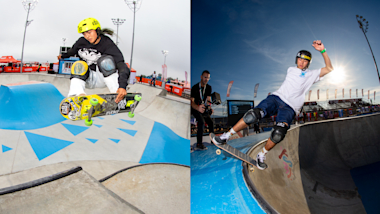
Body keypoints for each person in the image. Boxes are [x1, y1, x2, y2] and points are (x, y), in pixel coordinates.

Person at [211, 40, 333, 170]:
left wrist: (323, 51)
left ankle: (261, 155)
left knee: (278, 133)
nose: (301, 62)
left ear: (308, 63)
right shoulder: (291, 69)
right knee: (253, 115)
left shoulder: (312, 74)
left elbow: (329, 68)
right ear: (296, 59)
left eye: (305, 61)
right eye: (300, 59)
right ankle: (225, 136)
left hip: (290, 108)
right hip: (276, 98)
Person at [57, 17, 130, 103]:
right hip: (87, 78)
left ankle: (117, 93)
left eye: (89, 32)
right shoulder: (81, 42)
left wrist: (122, 86)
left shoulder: (107, 43)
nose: (87, 36)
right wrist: (63, 56)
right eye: (84, 34)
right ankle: (77, 97)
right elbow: (72, 51)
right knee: (78, 64)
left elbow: (121, 64)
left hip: (103, 78)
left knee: (105, 61)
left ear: (97, 31)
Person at [191, 70, 214, 150]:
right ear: (201, 77)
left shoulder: (209, 88)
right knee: (201, 122)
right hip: (195, 108)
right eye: (205, 77)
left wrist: (209, 107)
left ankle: (213, 141)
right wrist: (198, 108)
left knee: (211, 123)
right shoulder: (194, 87)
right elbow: (191, 102)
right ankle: (199, 144)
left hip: (203, 108)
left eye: (208, 78)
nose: (206, 79)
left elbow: (208, 99)